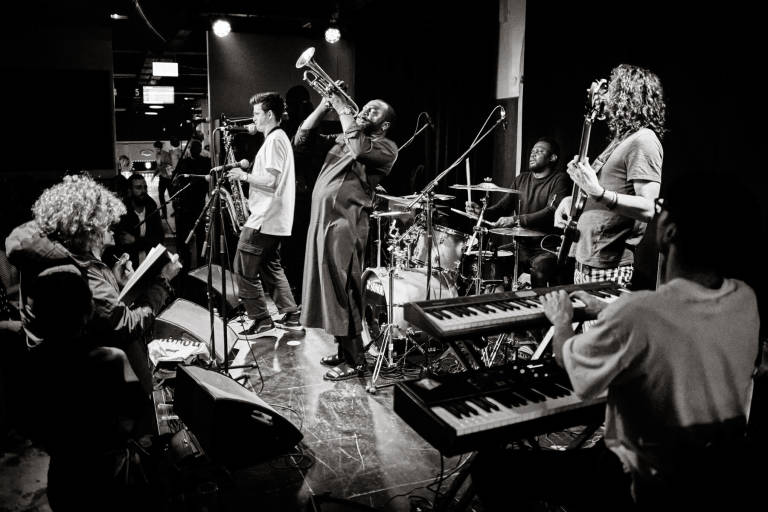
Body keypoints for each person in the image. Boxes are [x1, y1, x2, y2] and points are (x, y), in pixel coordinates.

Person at [472, 170, 761, 510]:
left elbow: (569, 363)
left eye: (661, 206)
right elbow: (677, 323)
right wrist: (609, 309)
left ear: (669, 230)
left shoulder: (640, 314)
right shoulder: (744, 299)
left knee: (491, 467)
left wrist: (562, 321)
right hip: (710, 482)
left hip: (640, 485)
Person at [6, 174, 183, 394]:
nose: (112, 224)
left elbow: (99, 315)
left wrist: (115, 283)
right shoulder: (77, 271)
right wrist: (162, 282)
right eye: (105, 219)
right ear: (85, 225)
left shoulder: (60, 256)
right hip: (89, 389)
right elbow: (124, 327)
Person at [295, 89, 398, 381]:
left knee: (344, 289)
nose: (365, 111)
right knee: (328, 288)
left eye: (373, 111)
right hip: (322, 221)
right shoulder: (345, 136)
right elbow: (301, 142)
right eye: (364, 107)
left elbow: (359, 150)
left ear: (385, 124)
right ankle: (343, 351)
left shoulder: (385, 147)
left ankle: (356, 361)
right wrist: (324, 108)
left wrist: (343, 109)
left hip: (345, 223)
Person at [554, 64, 665, 288]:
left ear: (627, 96)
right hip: (587, 260)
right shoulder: (620, 141)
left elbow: (649, 208)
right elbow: (599, 195)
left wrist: (599, 192)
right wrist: (571, 201)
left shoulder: (643, 140)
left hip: (610, 266)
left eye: (611, 90)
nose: (604, 96)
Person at [225, 92, 303, 337]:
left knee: (243, 268)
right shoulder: (278, 139)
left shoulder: (274, 140)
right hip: (273, 218)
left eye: (257, 113)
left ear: (270, 115)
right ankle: (291, 314)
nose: (254, 119)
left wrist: (244, 176)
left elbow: (270, 179)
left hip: (264, 219)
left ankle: (261, 319)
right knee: (270, 266)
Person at [465, 136, 572, 287]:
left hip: (546, 248)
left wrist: (516, 220)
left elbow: (551, 211)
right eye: (532, 151)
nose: (533, 154)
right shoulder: (521, 179)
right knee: (493, 260)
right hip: (521, 246)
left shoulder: (560, 179)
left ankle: (537, 306)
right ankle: (504, 303)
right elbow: (503, 207)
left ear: (552, 157)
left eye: (539, 151)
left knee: (540, 268)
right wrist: (482, 212)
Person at [111, 173, 164, 268]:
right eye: (138, 188)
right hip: (131, 267)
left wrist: (135, 240)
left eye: (145, 187)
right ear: (130, 191)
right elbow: (123, 244)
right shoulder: (123, 212)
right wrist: (145, 242)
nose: (143, 191)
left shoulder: (152, 207)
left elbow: (158, 240)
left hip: (151, 265)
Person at [153, 140, 173, 219]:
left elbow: (169, 165)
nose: (155, 150)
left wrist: (162, 166)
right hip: (162, 177)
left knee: (172, 195)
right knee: (161, 195)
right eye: (155, 148)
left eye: (156, 148)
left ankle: (176, 210)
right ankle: (164, 213)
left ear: (159, 148)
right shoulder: (157, 155)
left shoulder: (166, 154)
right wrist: (154, 174)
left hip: (168, 178)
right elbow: (158, 166)